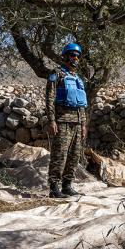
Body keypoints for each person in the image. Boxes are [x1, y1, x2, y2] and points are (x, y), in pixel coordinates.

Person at [45, 42, 89, 198]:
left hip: (77, 122)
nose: (75, 58)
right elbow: (49, 99)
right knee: (60, 155)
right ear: (65, 57)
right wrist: (51, 120)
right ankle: (54, 187)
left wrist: (83, 124)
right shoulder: (56, 74)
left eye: (77, 56)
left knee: (74, 156)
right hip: (62, 121)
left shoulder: (78, 78)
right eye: (72, 55)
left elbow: (81, 105)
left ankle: (67, 185)